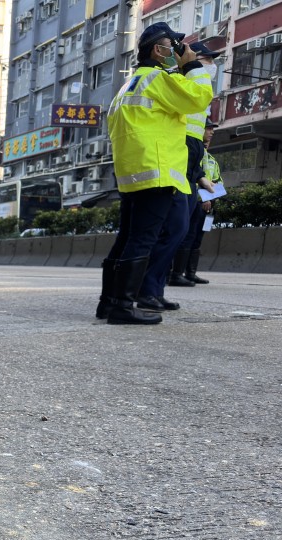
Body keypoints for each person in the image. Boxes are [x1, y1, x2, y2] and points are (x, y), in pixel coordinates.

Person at [102, 21, 213, 325]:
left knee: (127, 238)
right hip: (157, 170)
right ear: (158, 49)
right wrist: (192, 67)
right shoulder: (157, 79)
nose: (177, 52)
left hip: (132, 172)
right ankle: (123, 308)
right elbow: (199, 98)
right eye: (173, 47)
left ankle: (109, 303)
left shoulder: (130, 83)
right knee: (143, 239)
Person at [169, 42, 222, 288]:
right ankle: (171, 276)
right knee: (179, 233)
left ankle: (185, 273)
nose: (212, 66)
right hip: (183, 181)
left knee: (194, 237)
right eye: (208, 60)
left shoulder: (209, 157)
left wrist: (211, 195)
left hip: (204, 198)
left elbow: (218, 181)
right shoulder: (181, 84)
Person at [176, 121, 220, 285]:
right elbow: (192, 178)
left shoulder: (212, 160)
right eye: (208, 129)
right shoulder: (194, 155)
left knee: (197, 238)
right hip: (197, 200)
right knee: (186, 236)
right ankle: (176, 273)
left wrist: (214, 197)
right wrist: (204, 197)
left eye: (212, 130)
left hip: (209, 206)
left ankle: (191, 272)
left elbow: (216, 180)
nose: (211, 133)